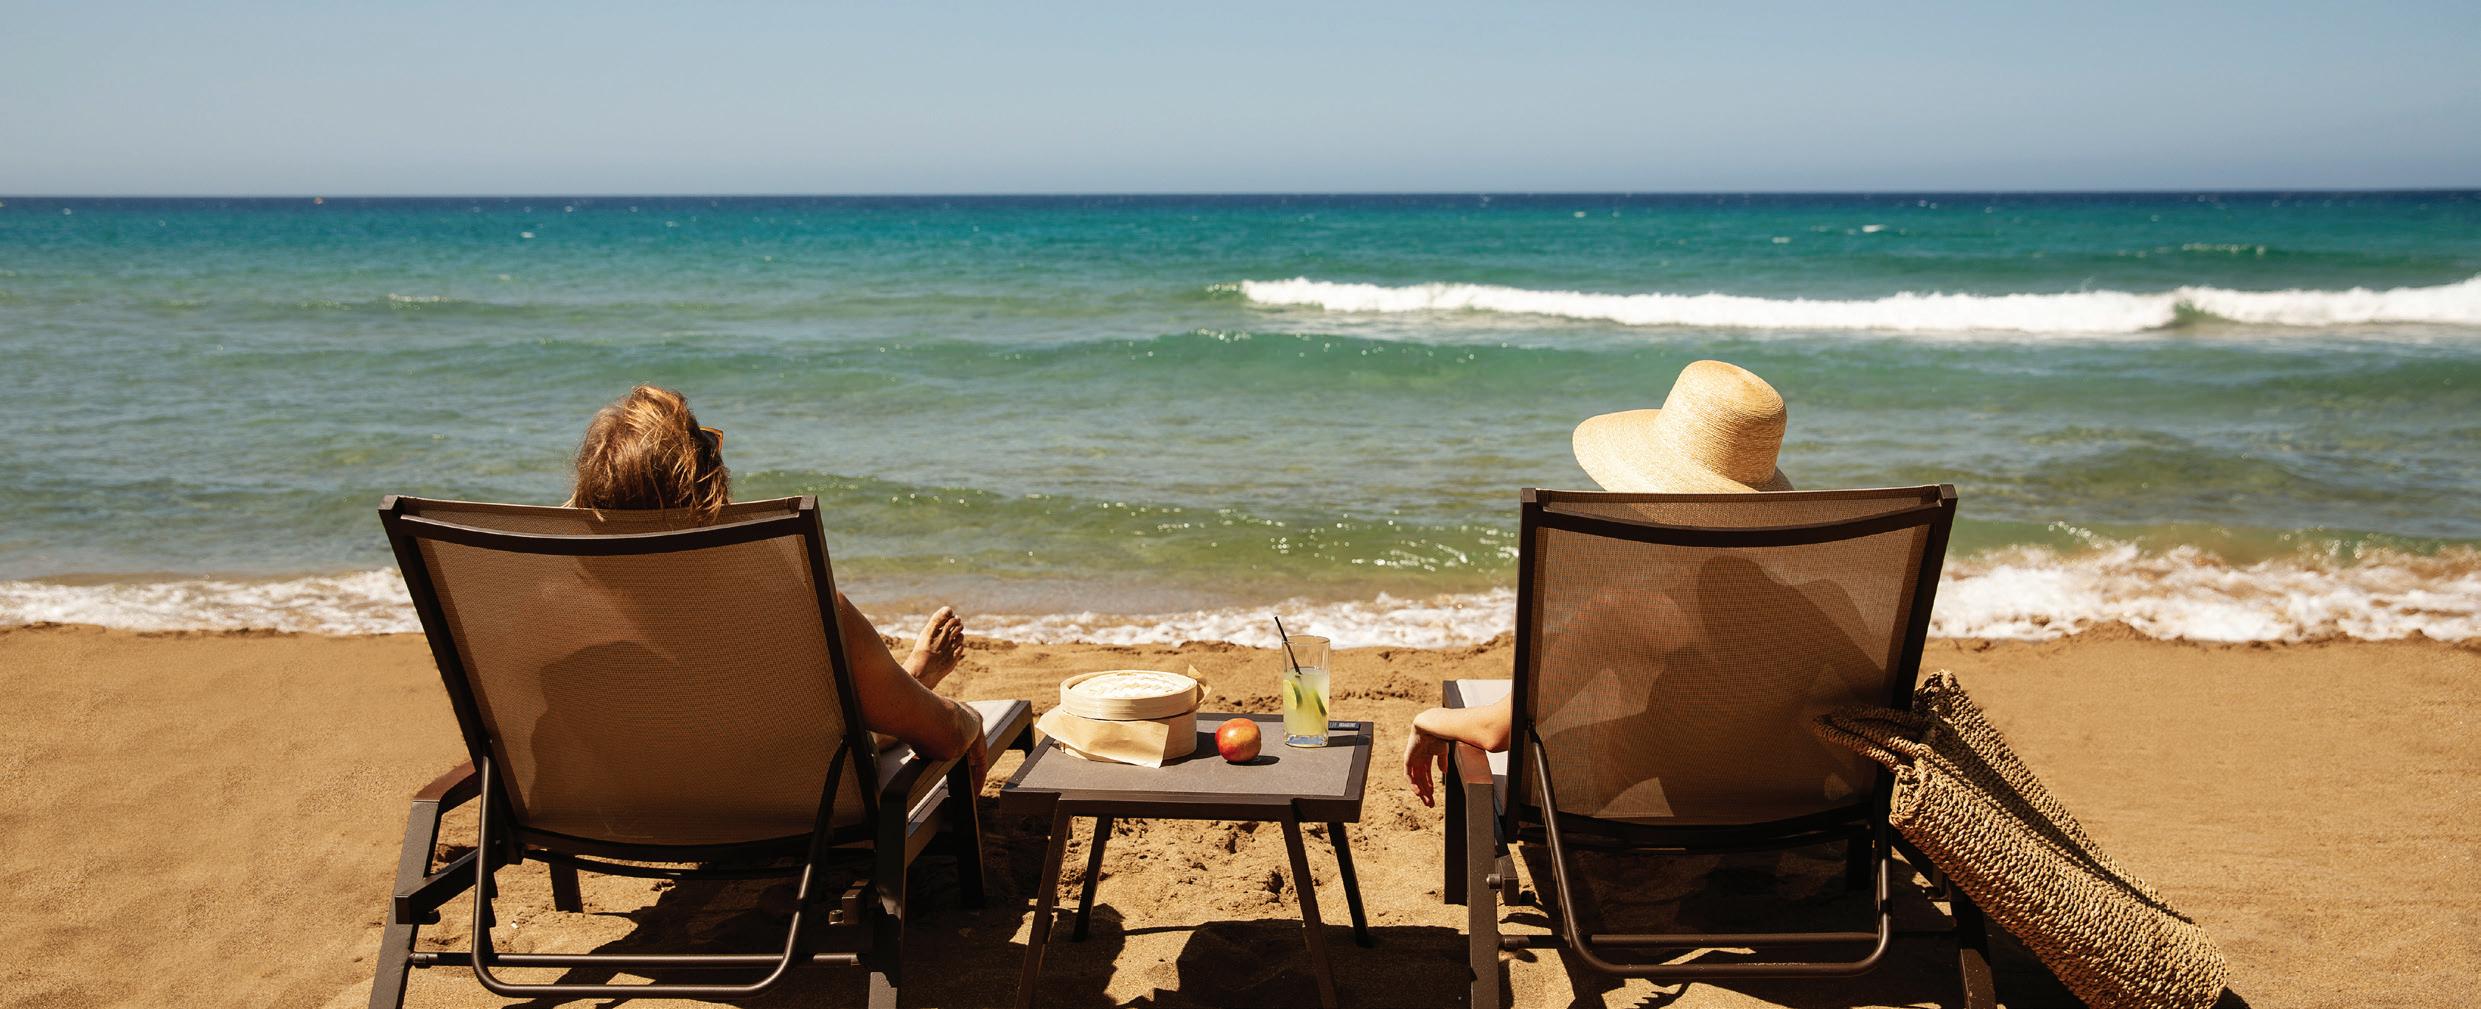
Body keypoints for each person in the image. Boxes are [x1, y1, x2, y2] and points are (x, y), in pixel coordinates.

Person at [1403, 360, 1798, 806]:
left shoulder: (1624, 615)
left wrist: (1428, 719)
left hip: (1658, 816)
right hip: (1778, 811)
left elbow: (1496, 731)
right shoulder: (1810, 605)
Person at [567, 384, 987, 775]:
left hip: (650, 800)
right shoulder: (806, 613)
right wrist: (969, 718)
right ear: (710, 491)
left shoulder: (558, 622)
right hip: (788, 801)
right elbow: (946, 735)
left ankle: (902, 687)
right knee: (833, 731)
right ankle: (903, 690)